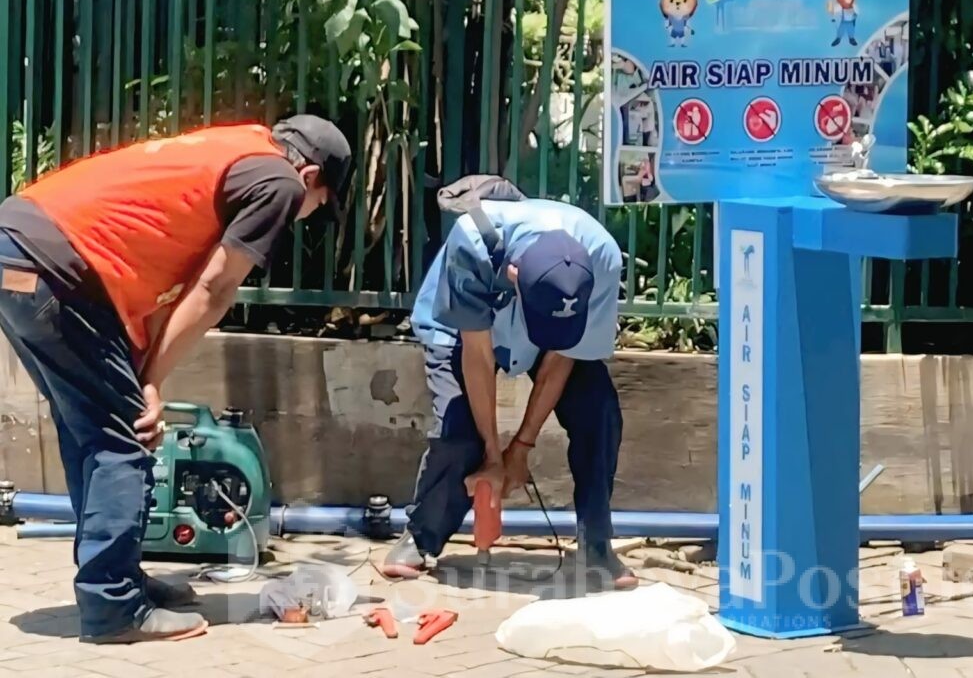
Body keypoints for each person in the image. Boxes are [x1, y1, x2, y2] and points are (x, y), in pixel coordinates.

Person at [0, 115, 350, 643]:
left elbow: (172, 283)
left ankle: (119, 579)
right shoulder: (277, 183)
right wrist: (152, 384)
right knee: (125, 438)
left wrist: (146, 375)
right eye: (319, 203)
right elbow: (213, 289)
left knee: (94, 430)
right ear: (309, 175)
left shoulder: (239, 147)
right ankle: (113, 606)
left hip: (23, 248)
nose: (306, 215)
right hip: (57, 265)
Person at [382, 176, 638, 591]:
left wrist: (521, 446)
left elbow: (563, 356)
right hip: (461, 331)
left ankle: (597, 544)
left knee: (599, 413)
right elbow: (478, 358)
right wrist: (492, 453)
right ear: (515, 276)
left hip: (548, 333)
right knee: (458, 427)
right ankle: (422, 536)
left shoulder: (603, 257)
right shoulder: (473, 243)